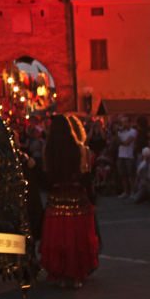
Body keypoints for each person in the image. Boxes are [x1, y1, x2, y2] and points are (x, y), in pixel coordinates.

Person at [39, 115, 99, 289]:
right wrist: (93, 199)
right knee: (75, 237)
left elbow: (46, 178)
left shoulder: (48, 150)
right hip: (77, 198)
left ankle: (62, 276)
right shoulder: (81, 149)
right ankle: (76, 276)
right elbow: (87, 177)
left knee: (59, 237)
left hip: (56, 200)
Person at [116, 116, 137, 198]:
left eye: (125, 121)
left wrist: (121, 142)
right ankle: (126, 191)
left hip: (129, 155)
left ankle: (133, 191)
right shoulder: (119, 132)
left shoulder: (132, 132)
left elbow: (127, 143)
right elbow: (117, 142)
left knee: (131, 175)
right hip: (121, 155)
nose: (124, 123)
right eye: (122, 122)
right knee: (123, 175)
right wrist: (116, 132)